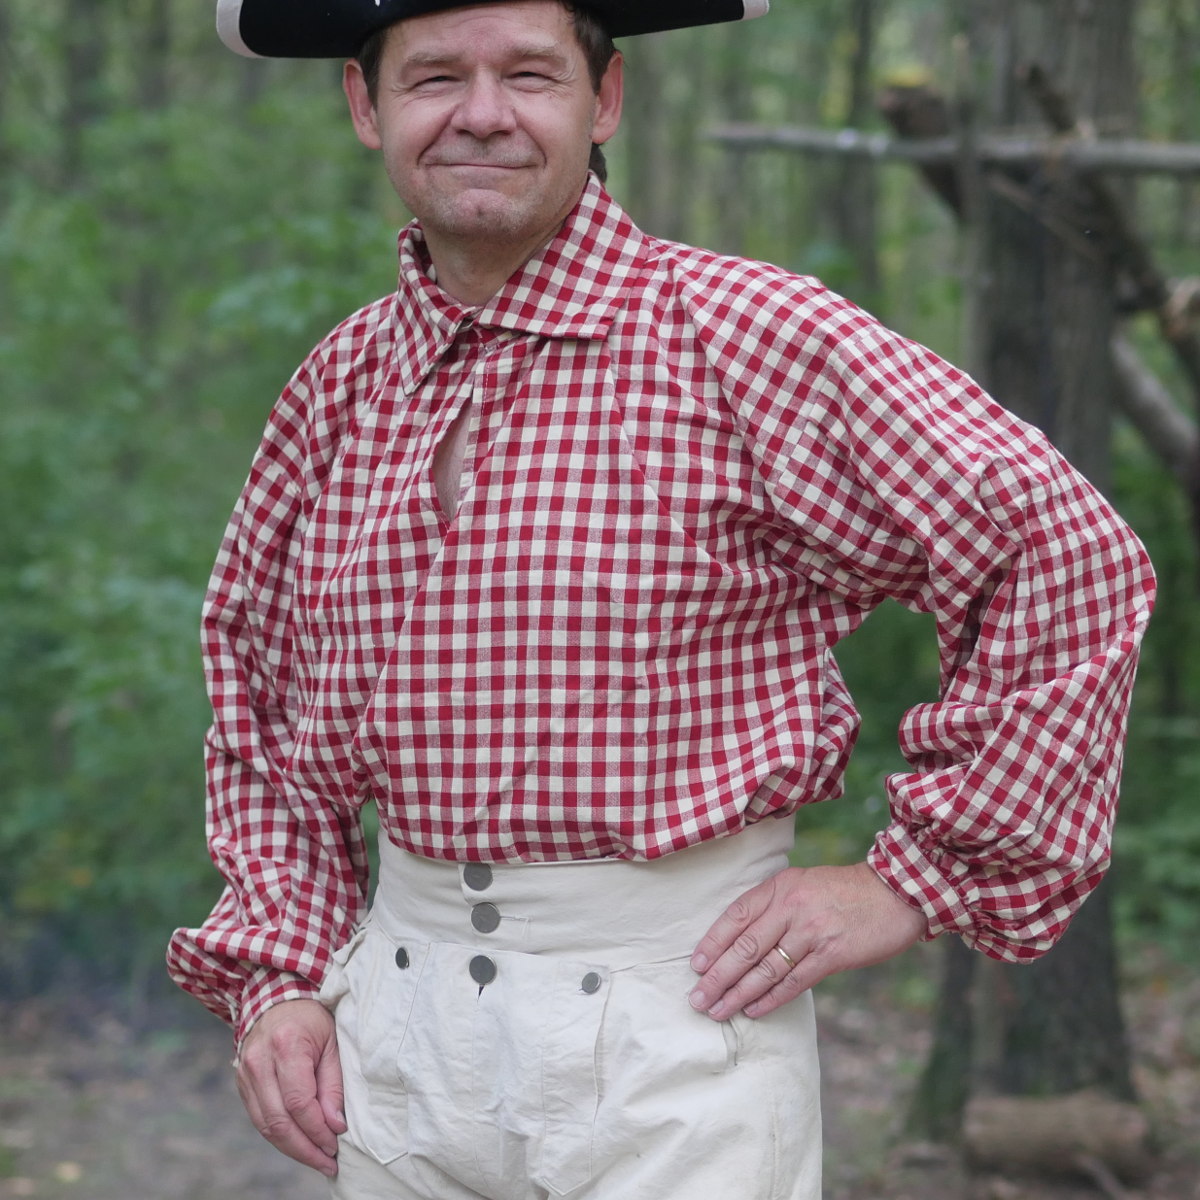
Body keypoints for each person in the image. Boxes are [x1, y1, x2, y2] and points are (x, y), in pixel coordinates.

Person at [167, 1, 1156, 1197]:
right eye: (435, 78)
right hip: (398, 1036)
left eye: (529, 74)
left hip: (676, 1034)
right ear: (367, 107)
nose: (483, 114)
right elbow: (263, 702)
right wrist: (278, 976)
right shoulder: (339, 386)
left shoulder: (749, 338)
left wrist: (911, 879)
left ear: (607, 100)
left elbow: (1070, 557)